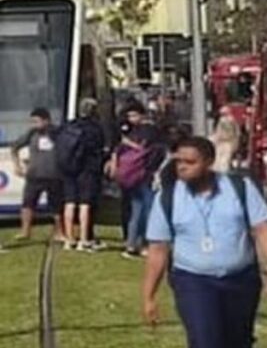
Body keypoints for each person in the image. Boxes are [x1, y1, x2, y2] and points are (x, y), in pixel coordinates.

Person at [142, 136, 267, 348]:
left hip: (240, 279)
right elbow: (158, 249)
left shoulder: (239, 188)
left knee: (238, 341)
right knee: (204, 339)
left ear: (208, 163)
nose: (182, 168)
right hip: (193, 280)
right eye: (179, 161)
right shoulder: (167, 197)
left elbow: (263, 229)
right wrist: (149, 296)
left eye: (190, 162)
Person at [112, 102, 164, 258]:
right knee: (144, 210)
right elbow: (151, 150)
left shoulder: (127, 133)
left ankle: (131, 243)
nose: (131, 118)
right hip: (144, 175)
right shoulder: (150, 131)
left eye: (134, 115)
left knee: (136, 210)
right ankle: (142, 243)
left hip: (131, 176)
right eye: (130, 116)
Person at [9, 108, 65, 247]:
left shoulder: (58, 133)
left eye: (37, 121)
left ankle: (59, 231)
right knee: (28, 203)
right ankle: (25, 231)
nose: (34, 124)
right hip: (34, 175)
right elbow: (14, 147)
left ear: (46, 120)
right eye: (32, 121)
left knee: (56, 206)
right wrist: (17, 165)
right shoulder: (31, 134)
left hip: (54, 175)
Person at [57, 98, 108, 252]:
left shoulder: (69, 125)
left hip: (69, 168)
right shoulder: (95, 128)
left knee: (70, 202)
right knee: (85, 204)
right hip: (88, 169)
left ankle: (69, 239)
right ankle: (85, 239)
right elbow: (99, 148)